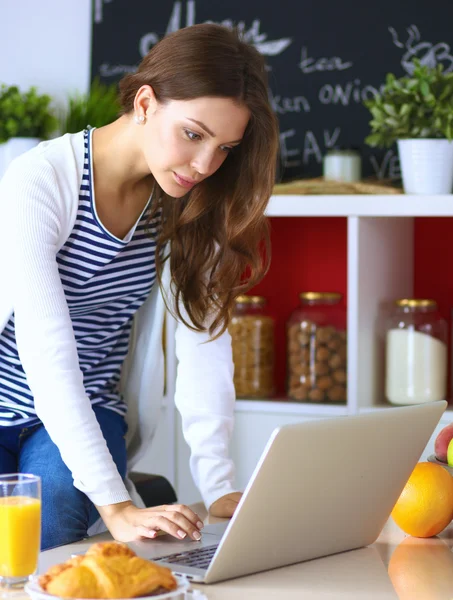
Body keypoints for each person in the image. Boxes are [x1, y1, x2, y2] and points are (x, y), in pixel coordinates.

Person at [0, 23, 279, 550]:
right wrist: (117, 506)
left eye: (225, 148)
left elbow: (204, 345)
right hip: (10, 395)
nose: (204, 165)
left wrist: (219, 486)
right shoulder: (41, 180)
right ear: (146, 103)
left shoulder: (185, 202)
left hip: (89, 407)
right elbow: (46, 346)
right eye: (194, 134)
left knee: (52, 526)